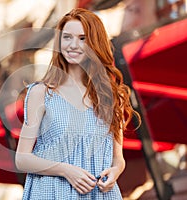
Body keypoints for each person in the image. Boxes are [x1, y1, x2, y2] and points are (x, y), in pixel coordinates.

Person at [15, 8, 140, 199]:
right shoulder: (41, 93)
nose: (73, 45)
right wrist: (65, 170)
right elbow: (22, 159)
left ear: (95, 43)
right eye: (67, 38)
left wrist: (115, 172)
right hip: (53, 192)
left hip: (99, 193)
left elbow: (118, 159)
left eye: (82, 38)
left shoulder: (110, 96)